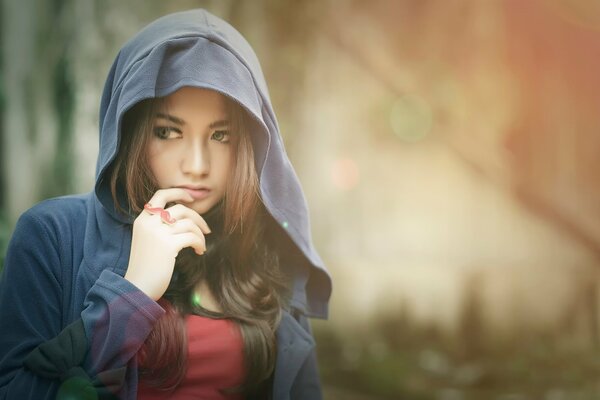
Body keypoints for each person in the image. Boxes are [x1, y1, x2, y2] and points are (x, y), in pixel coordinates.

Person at [0, 9, 331, 400]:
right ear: (129, 131)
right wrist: (133, 292)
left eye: (220, 135)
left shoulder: (264, 244)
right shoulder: (52, 235)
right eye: (168, 132)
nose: (196, 166)